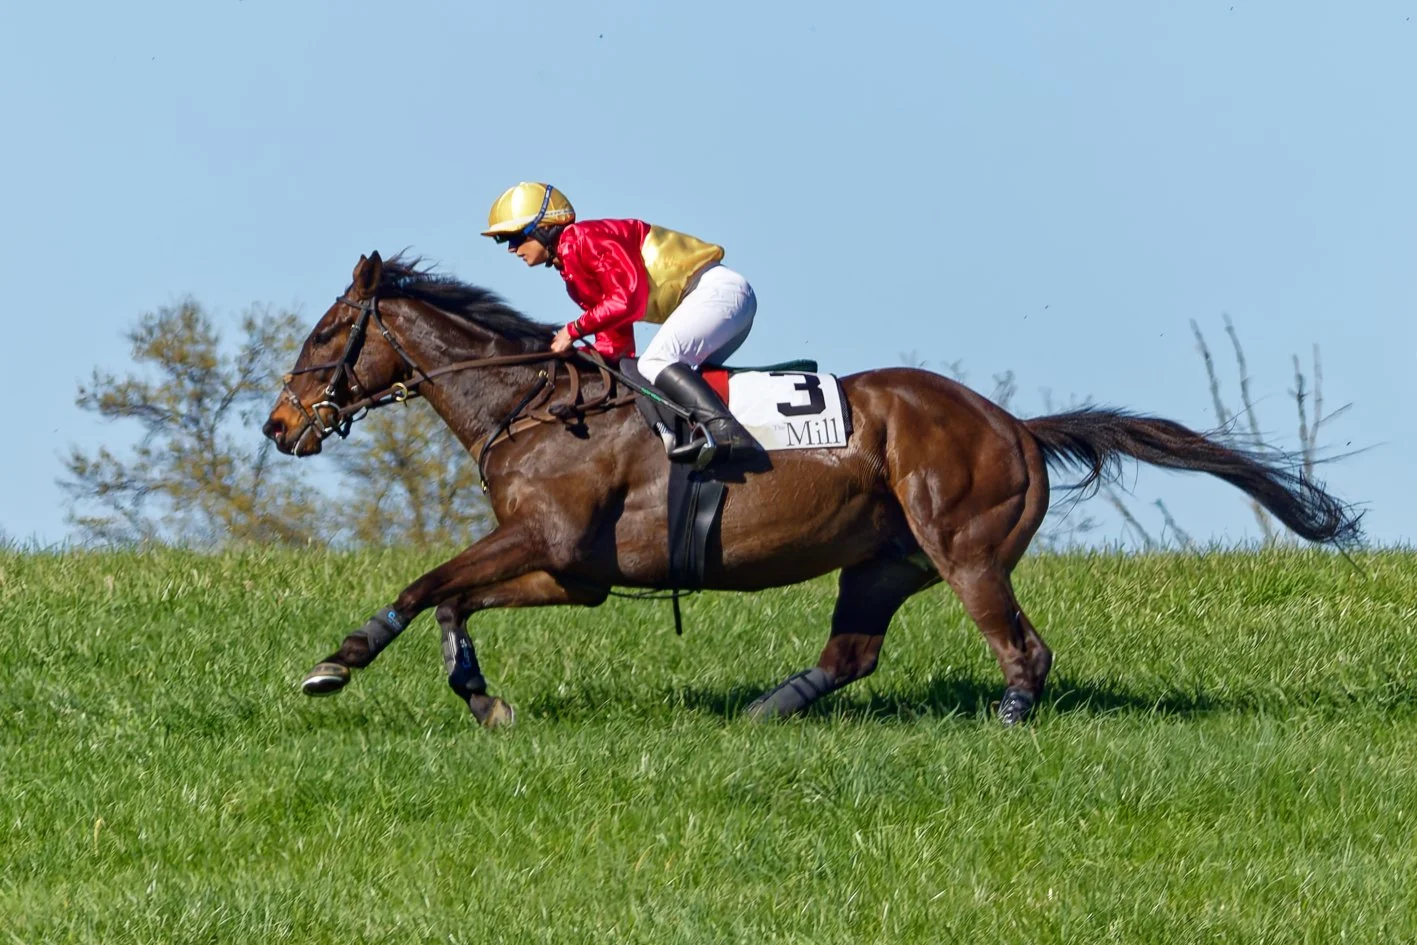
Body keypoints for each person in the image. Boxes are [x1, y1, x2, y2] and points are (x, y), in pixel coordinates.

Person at [481, 181, 759, 467]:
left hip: (718, 292)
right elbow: (616, 344)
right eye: (504, 241)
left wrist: (573, 331)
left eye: (515, 237)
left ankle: (729, 433)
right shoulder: (572, 273)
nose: (512, 249)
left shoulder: (582, 239)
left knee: (655, 362)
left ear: (544, 226)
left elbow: (628, 299)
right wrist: (580, 358)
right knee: (650, 374)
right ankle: (702, 439)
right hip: (714, 301)